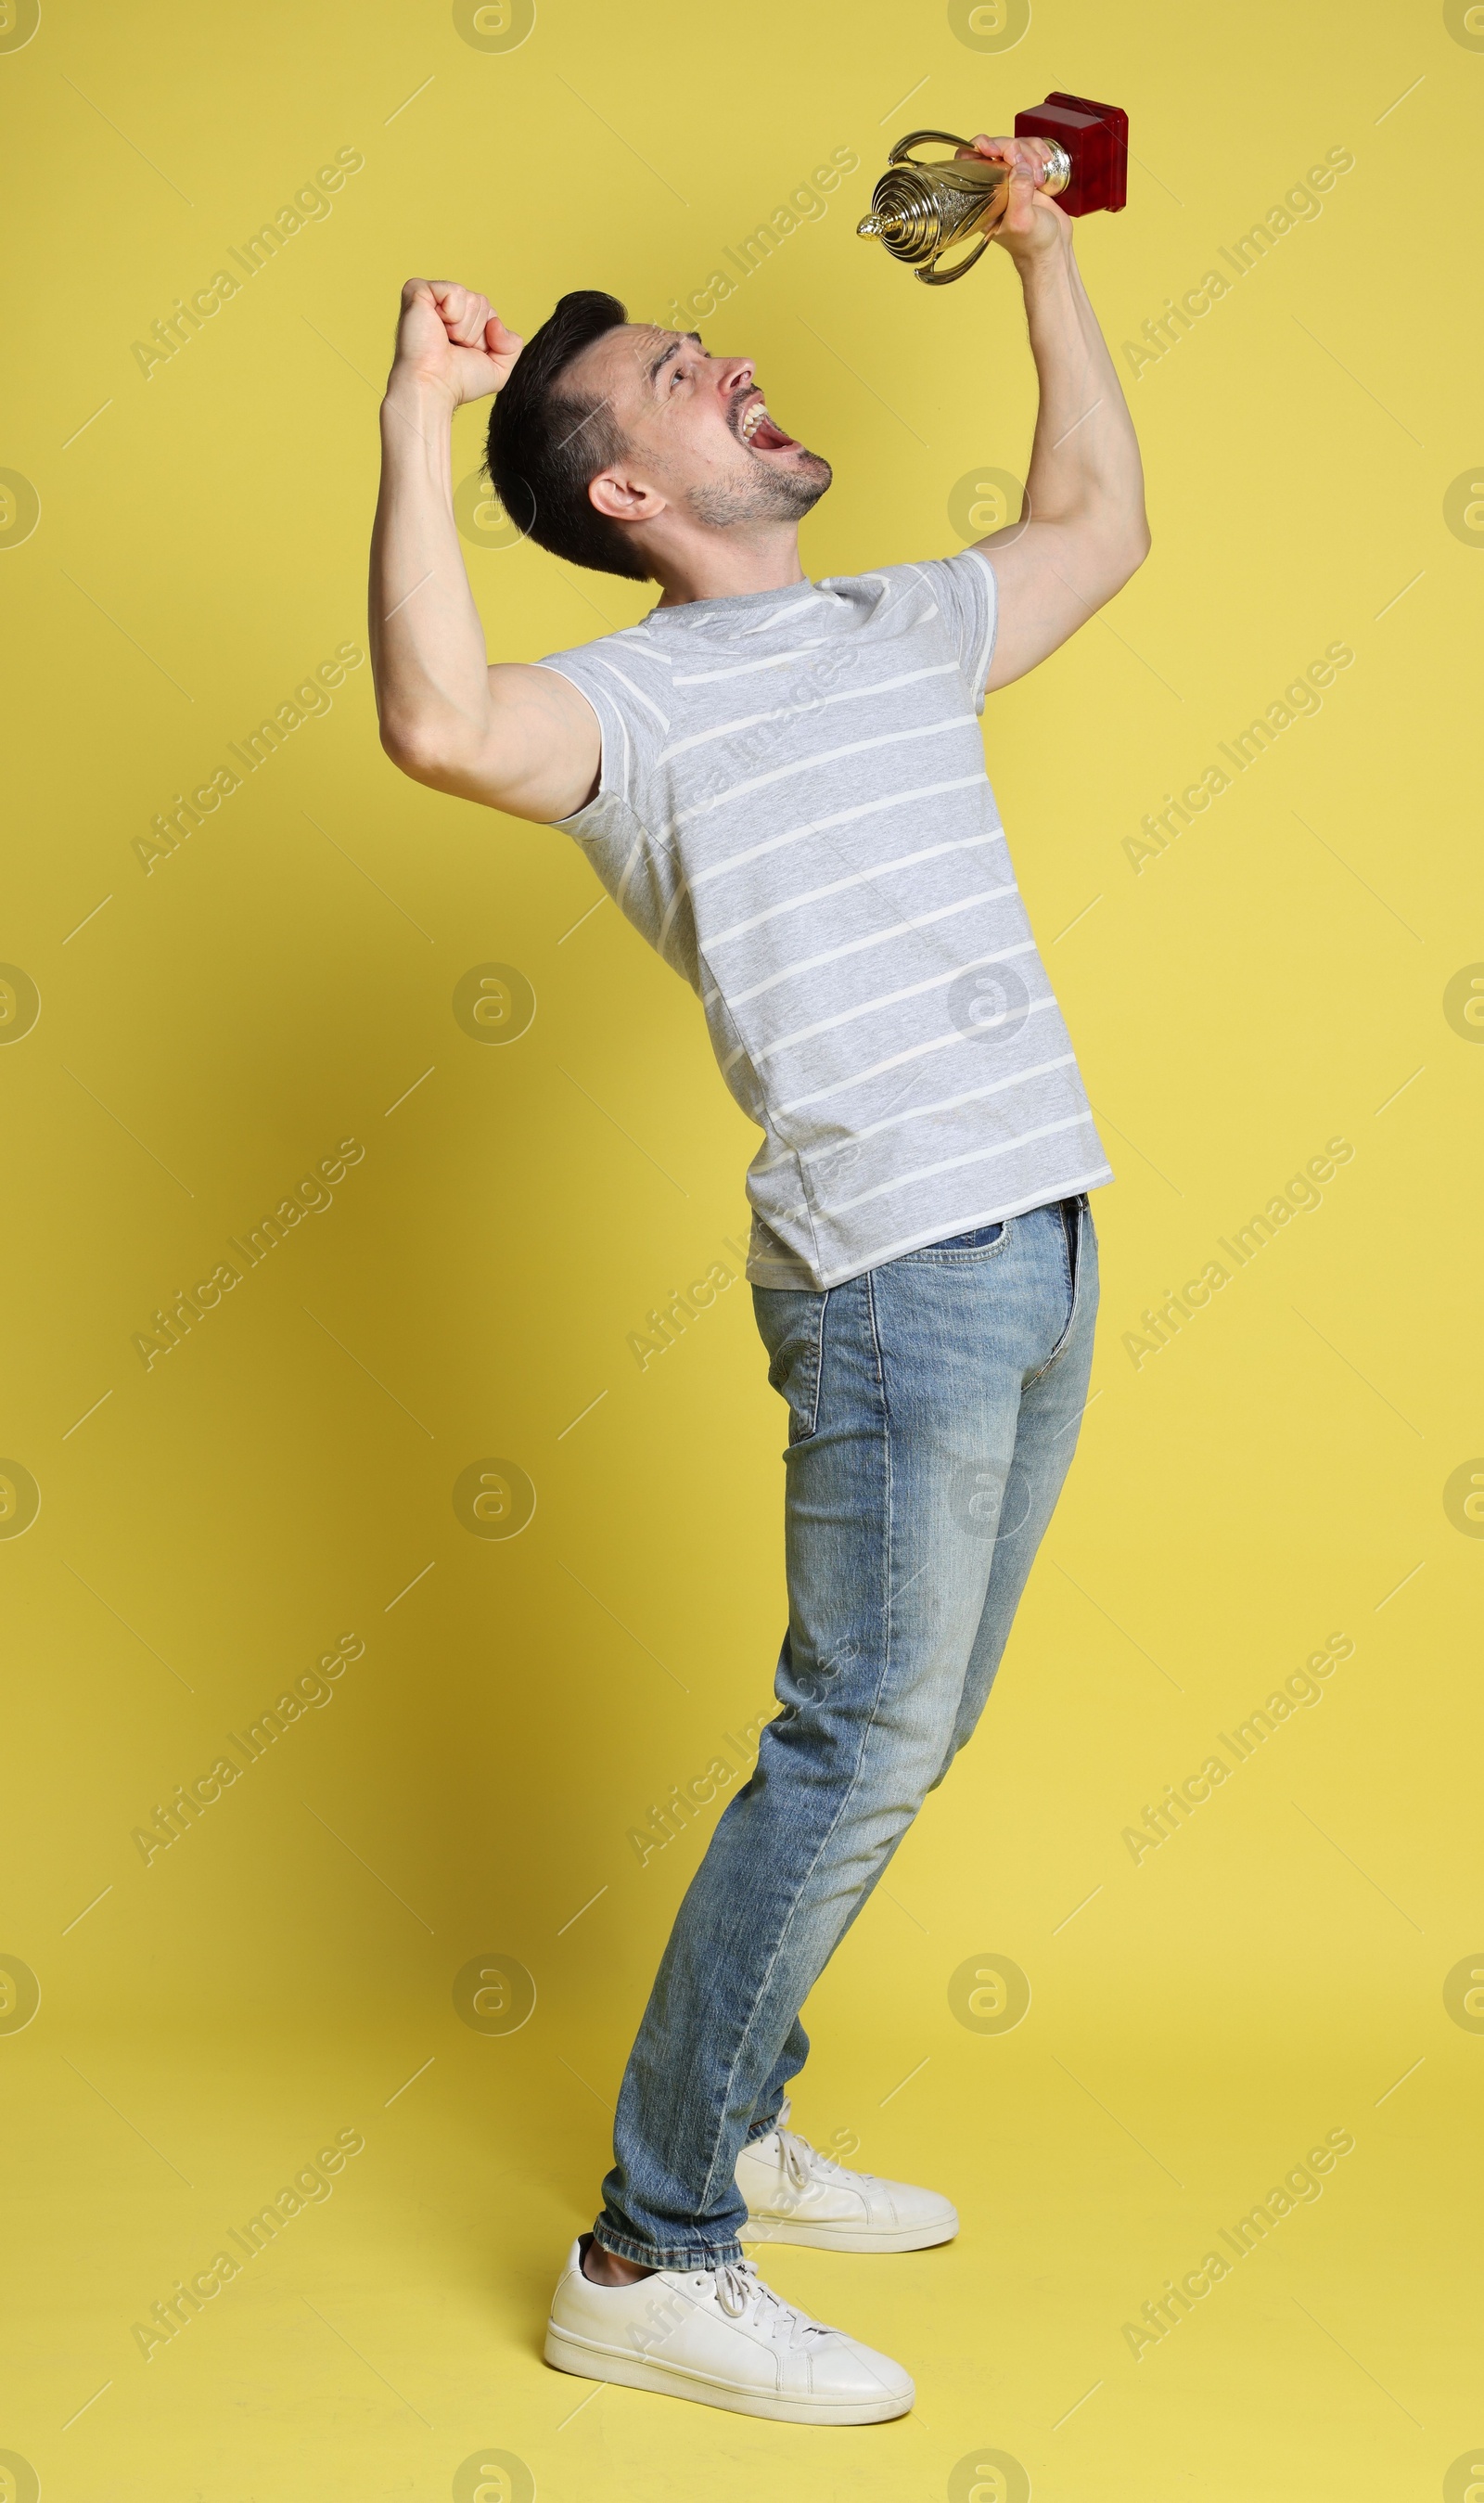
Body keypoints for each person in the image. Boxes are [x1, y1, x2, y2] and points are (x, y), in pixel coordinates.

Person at [369, 130, 1148, 2426]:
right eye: (682, 382)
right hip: (894, 1270)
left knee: (901, 1736)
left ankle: (738, 2106)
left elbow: (1097, 524)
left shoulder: (893, 618)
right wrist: (417, 417)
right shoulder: (639, 716)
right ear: (626, 496)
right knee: (852, 1746)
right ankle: (650, 2239)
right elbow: (433, 718)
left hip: (1036, 1222)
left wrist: (1043, 258)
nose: (733, 370)